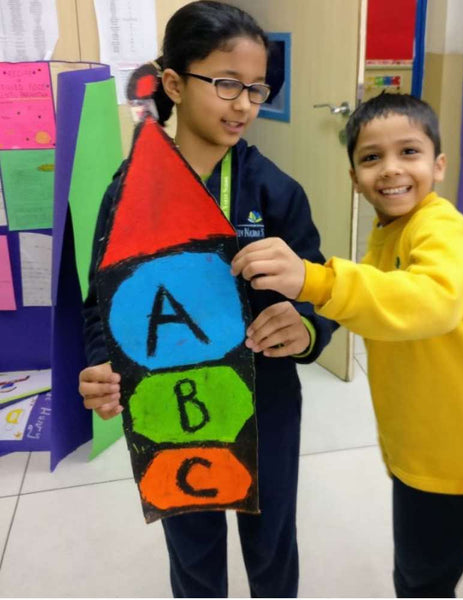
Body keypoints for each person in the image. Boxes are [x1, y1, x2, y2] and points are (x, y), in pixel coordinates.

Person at [231, 92, 463, 598]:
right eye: (371, 157)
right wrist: (306, 320)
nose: (391, 169)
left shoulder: (442, 229)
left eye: (409, 152)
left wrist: (315, 282)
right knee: (419, 581)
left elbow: (429, 301)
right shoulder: (384, 239)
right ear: (354, 178)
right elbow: (369, 301)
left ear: (438, 165)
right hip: (418, 468)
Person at [78, 2, 336, 597]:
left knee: (272, 542)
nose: (244, 104)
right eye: (225, 84)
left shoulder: (275, 190)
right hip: (168, 407)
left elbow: (317, 287)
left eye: (256, 88)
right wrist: (99, 362)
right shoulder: (128, 193)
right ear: (173, 83)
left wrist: (306, 328)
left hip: (265, 403)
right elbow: (101, 303)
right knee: (192, 548)